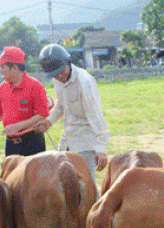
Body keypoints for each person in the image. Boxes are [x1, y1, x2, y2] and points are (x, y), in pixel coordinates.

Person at [34, 44, 109, 179]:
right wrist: (49, 121)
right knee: (63, 181)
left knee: (85, 185)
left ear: (68, 62)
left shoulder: (84, 82)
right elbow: (61, 105)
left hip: (85, 140)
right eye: (55, 74)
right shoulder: (57, 79)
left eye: (62, 71)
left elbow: (96, 116)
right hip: (68, 138)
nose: (59, 76)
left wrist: (101, 149)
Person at [0, 46, 50, 157]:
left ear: (15, 68)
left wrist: (17, 127)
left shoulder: (35, 86)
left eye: (3, 67)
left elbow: (42, 114)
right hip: (11, 144)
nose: (0, 71)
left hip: (32, 143)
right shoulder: (3, 87)